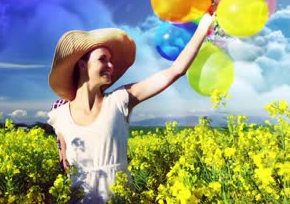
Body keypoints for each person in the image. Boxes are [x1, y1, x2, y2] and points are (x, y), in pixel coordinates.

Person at [47, 13, 217, 203]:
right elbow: (66, 168)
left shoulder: (120, 99)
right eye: (103, 59)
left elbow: (175, 70)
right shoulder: (59, 115)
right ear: (82, 64)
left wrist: (202, 28)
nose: (111, 65)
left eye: (111, 60)